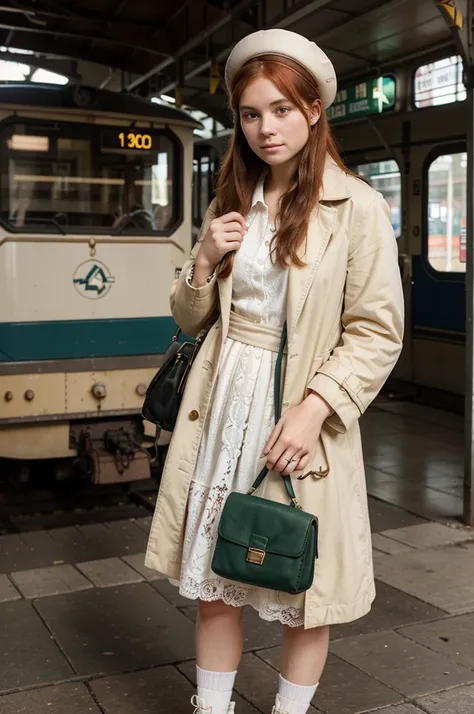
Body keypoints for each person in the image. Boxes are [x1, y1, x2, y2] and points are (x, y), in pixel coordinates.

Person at [145, 28, 404, 714]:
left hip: (300, 413)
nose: (267, 128)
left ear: (313, 109)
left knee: (304, 589)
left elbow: (378, 331)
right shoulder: (231, 200)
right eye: (252, 114)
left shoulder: (358, 209)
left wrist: (316, 408)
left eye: (282, 110)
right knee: (211, 581)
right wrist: (202, 260)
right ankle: (213, 707)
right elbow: (189, 318)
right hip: (223, 404)